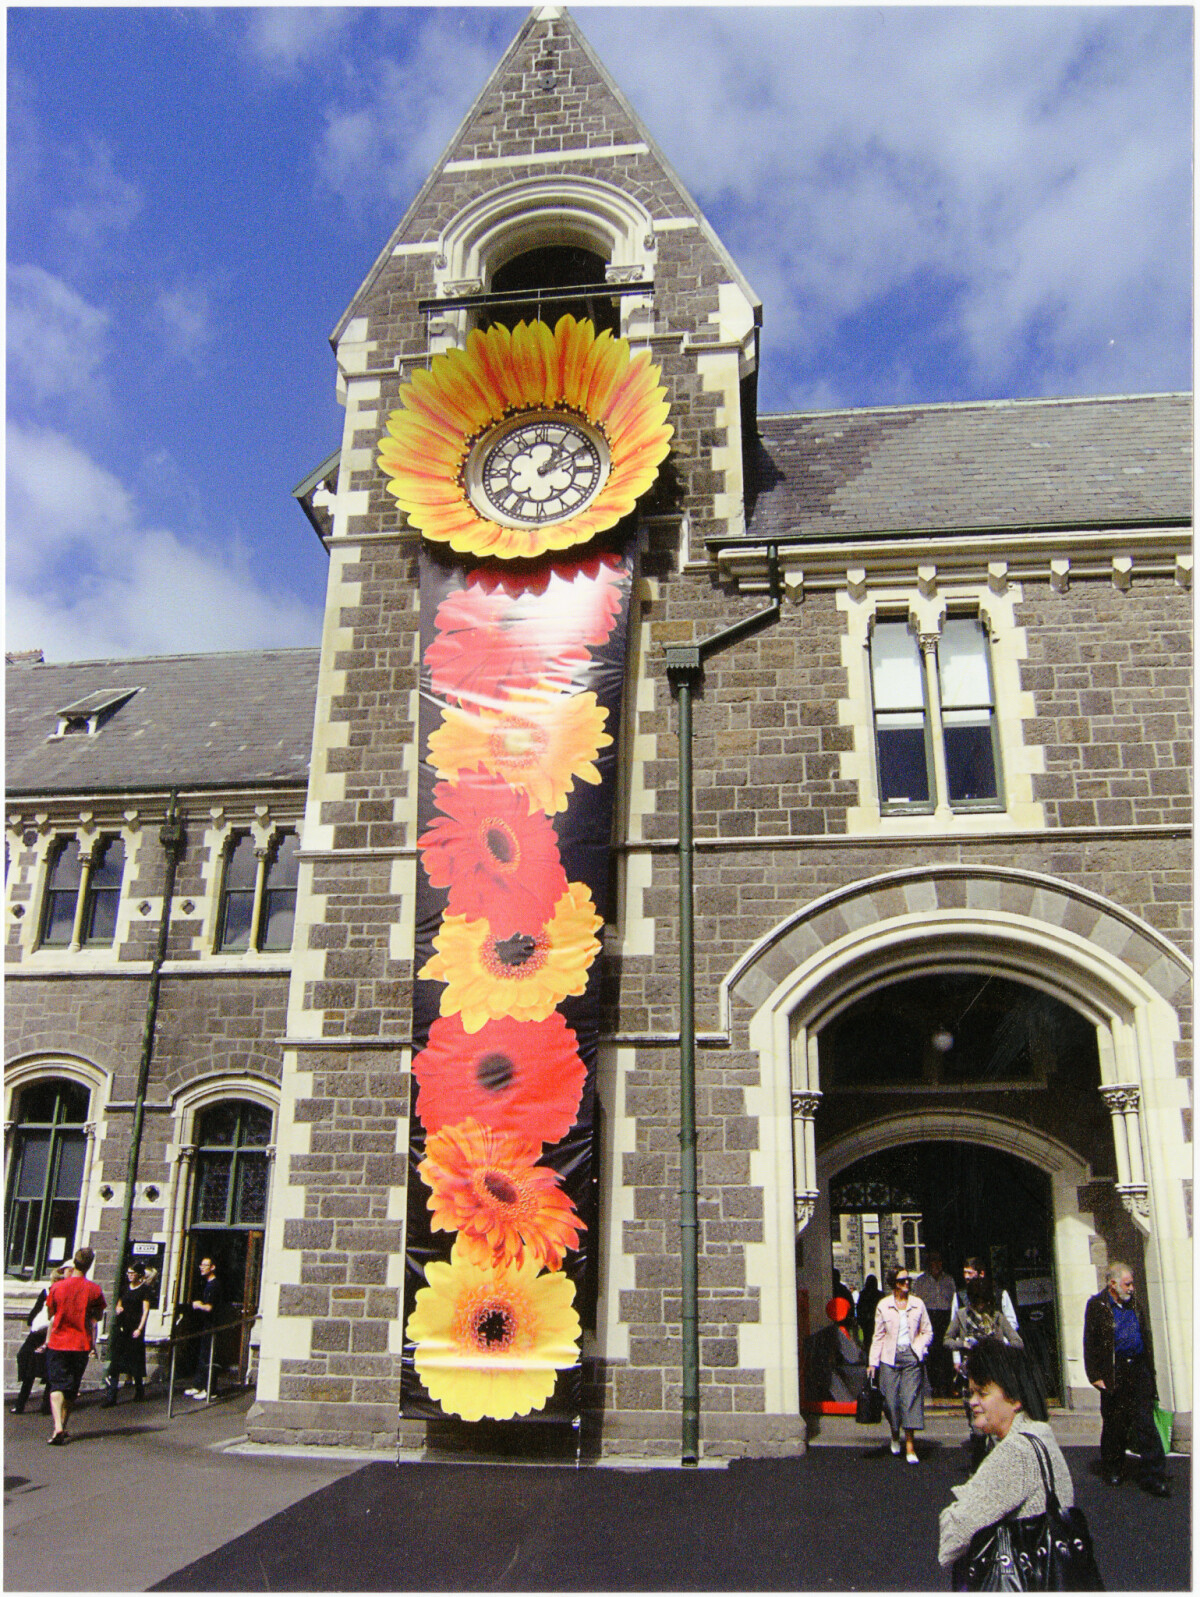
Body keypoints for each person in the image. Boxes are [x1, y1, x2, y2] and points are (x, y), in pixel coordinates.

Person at [938, 1338, 1081, 1578]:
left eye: (982, 1393)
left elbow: (953, 1539)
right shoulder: (1039, 1433)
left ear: (1015, 1399)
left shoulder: (1017, 1451)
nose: (972, 1402)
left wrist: (954, 1510)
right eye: (970, 1392)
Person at [1083, 1260, 1169, 1497]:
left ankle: (1155, 1476)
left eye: (1132, 1284)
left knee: (1145, 1423)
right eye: (1127, 1284)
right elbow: (1089, 1343)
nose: (1132, 1288)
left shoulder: (1135, 1304)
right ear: (1113, 1284)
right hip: (1114, 1371)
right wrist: (1094, 1376)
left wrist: (1151, 1372)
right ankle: (1113, 1468)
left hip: (1138, 1368)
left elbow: (1145, 1334)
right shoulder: (1097, 1305)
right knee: (1115, 1424)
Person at [945, 1277, 1024, 1469]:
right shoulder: (962, 1316)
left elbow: (1017, 1342)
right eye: (977, 1302)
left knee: (995, 1424)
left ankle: (997, 1467)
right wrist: (963, 1344)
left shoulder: (996, 1317)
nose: (980, 1306)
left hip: (993, 1376)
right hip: (971, 1376)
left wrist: (997, 1347)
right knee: (977, 1426)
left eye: (984, 1302)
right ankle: (979, 1466)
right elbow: (947, 1339)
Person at [868, 1263, 933, 1463]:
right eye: (902, 1281)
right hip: (889, 1357)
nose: (906, 1283)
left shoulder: (918, 1304)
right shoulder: (884, 1305)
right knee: (890, 1401)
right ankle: (895, 1432)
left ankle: (910, 1447)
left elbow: (927, 1331)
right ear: (893, 1284)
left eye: (908, 1280)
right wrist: (873, 1363)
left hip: (911, 1356)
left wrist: (919, 1348)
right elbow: (878, 1336)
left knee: (910, 1400)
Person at [43, 1246, 106, 1445]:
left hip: (59, 1341)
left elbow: (50, 1313)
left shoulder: (58, 1287)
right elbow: (97, 1317)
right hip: (80, 1343)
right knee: (71, 1386)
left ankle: (58, 1427)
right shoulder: (94, 1290)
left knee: (57, 1384)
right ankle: (62, 1425)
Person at [10, 1265, 67, 1415]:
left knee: (47, 1369)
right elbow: (36, 1309)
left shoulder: (63, 1295)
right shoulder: (46, 1292)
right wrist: (32, 1322)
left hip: (51, 1334)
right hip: (37, 1333)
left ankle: (46, 1406)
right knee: (26, 1362)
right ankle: (20, 1404)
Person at [101, 1263, 150, 1406]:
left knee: (135, 1362)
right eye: (128, 1272)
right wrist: (118, 1308)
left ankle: (139, 1391)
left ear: (139, 1275)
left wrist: (140, 1328)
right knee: (115, 1363)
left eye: (132, 1273)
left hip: (134, 1328)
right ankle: (111, 1396)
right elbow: (119, 1302)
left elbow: (145, 1310)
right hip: (123, 1329)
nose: (129, 1275)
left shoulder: (144, 1290)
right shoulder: (125, 1287)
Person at [914, 1250, 957, 1396]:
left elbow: (953, 1301)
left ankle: (947, 1385)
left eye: (939, 1262)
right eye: (934, 1261)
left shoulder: (949, 1280)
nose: (937, 1265)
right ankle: (934, 1385)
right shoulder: (921, 1281)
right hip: (930, 1316)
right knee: (931, 1353)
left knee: (946, 1352)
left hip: (944, 1317)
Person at [183, 1256, 225, 1399]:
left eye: (205, 1265)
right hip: (206, 1325)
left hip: (213, 1326)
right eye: (201, 1264)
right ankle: (198, 1385)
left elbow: (209, 1307)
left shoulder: (215, 1285)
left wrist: (198, 1305)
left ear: (212, 1267)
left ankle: (210, 1390)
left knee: (209, 1357)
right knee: (203, 1355)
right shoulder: (207, 1284)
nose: (201, 1267)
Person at [855, 1272, 883, 1348]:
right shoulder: (865, 1295)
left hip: (874, 1322)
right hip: (868, 1323)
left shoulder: (865, 1295)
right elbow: (859, 1308)